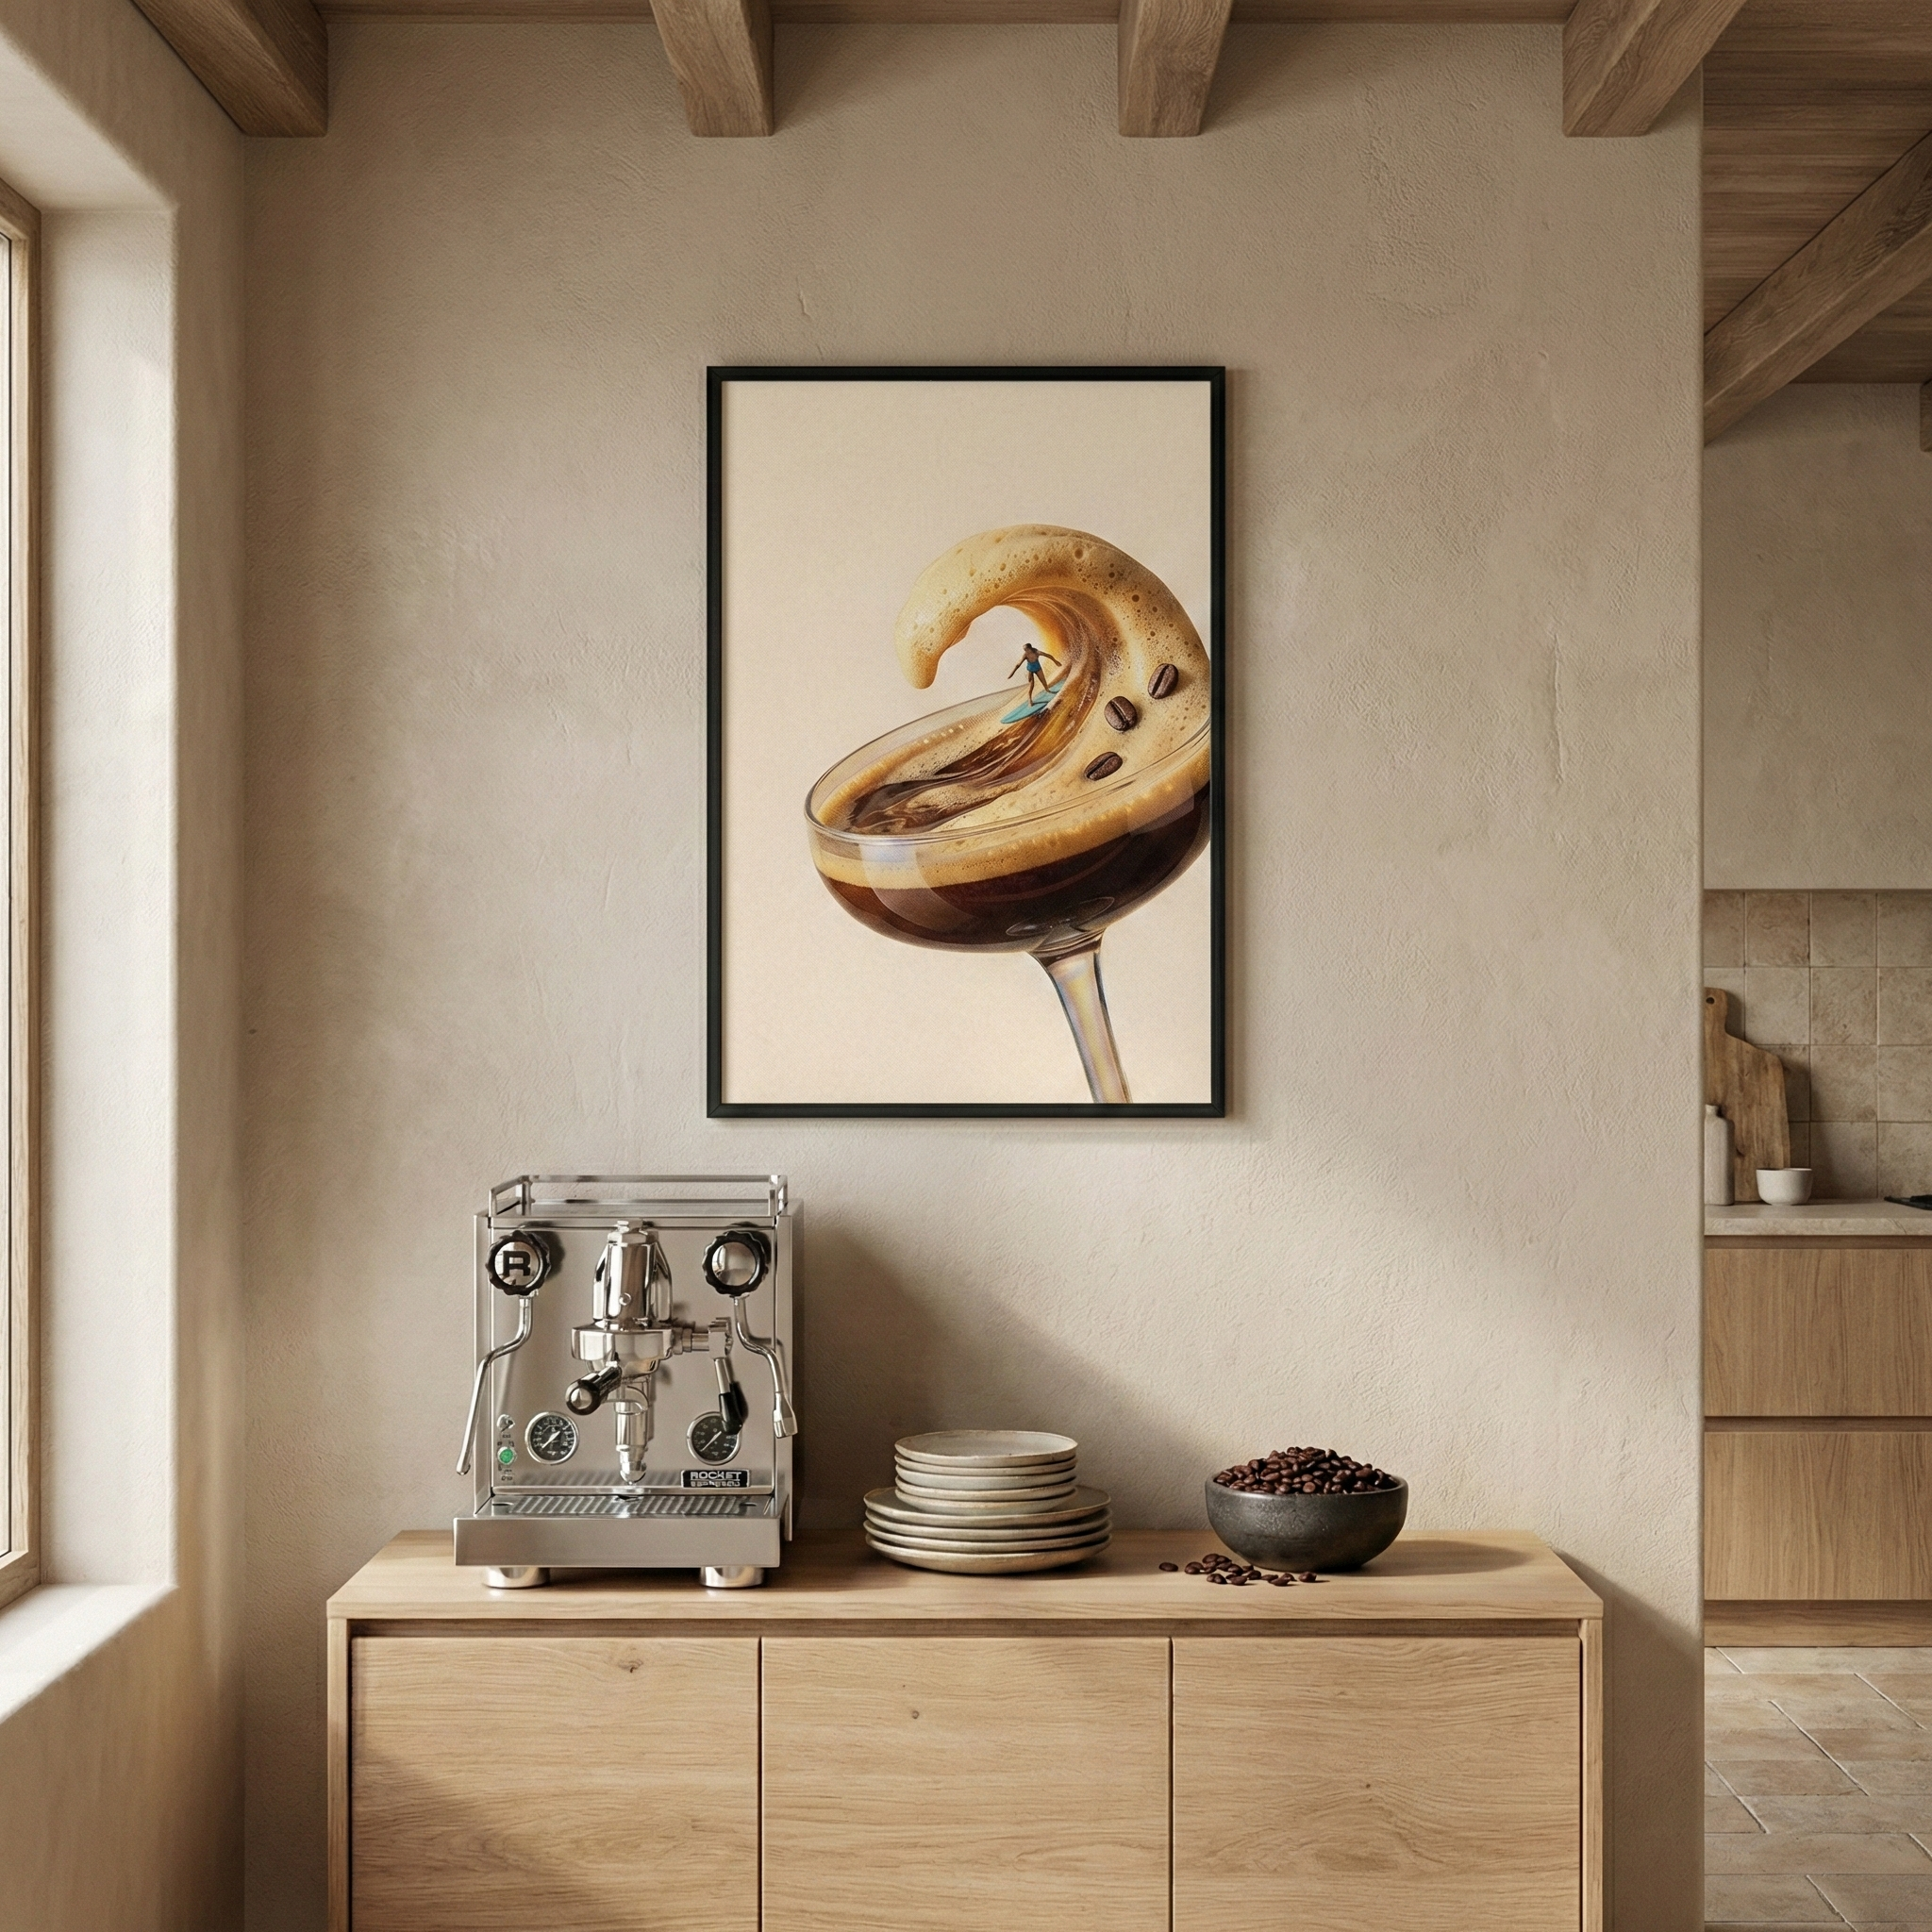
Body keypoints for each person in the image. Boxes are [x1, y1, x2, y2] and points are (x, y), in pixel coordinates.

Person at [1010, 640, 1061, 704]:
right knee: (1031, 686)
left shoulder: (1037, 652)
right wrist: (1012, 673)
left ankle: (1047, 690)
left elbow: (1047, 655)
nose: (1025, 651)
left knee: (1044, 682)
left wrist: (1055, 661)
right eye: (1024, 650)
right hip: (1030, 670)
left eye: (1026, 650)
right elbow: (1018, 664)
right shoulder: (1025, 655)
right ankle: (1030, 699)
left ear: (1030, 649)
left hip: (1038, 669)